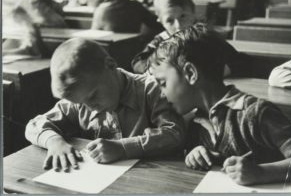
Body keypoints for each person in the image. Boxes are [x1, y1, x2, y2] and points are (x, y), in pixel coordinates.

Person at [149, 23, 291, 186]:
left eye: (163, 83)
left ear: (191, 73)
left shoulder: (256, 113)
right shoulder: (196, 123)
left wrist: (262, 173)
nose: (161, 94)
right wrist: (198, 155)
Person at [25, 38, 185, 172]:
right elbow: (34, 125)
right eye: (81, 103)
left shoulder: (152, 90)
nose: (90, 107)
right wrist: (54, 142)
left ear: (110, 65)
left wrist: (123, 148)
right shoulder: (81, 99)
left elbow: (174, 134)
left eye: (93, 95)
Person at [131, 0, 252, 77]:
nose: (178, 26)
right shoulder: (161, 39)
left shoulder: (205, 35)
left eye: (183, 16)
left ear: (193, 13)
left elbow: (238, 60)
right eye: (170, 21)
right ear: (160, 21)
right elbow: (138, 63)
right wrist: (154, 66)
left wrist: (222, 69)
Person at [91, 0, 162, 33]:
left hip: (108, 50)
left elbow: (94, 35)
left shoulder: (101, 9)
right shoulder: (136, 6)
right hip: (133, 49)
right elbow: (157, 25)